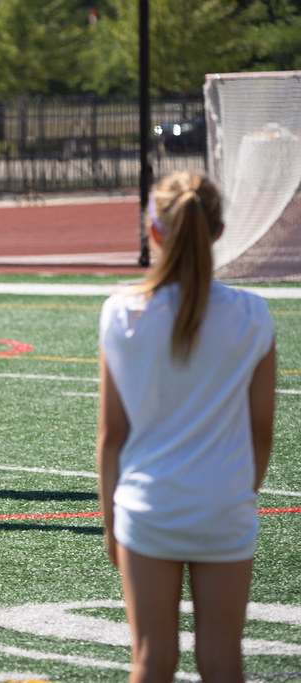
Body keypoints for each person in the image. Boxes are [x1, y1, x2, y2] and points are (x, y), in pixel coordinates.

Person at [96, 171, 276, 681]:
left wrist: (110, 523)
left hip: (148, 506)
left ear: (153, 231)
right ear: (218, 232)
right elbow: (261, 431)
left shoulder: (122, 314)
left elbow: (112, 435)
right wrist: (235, 494)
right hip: (223, 505)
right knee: (223, 660)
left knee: (152, 660)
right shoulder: (253, 314)